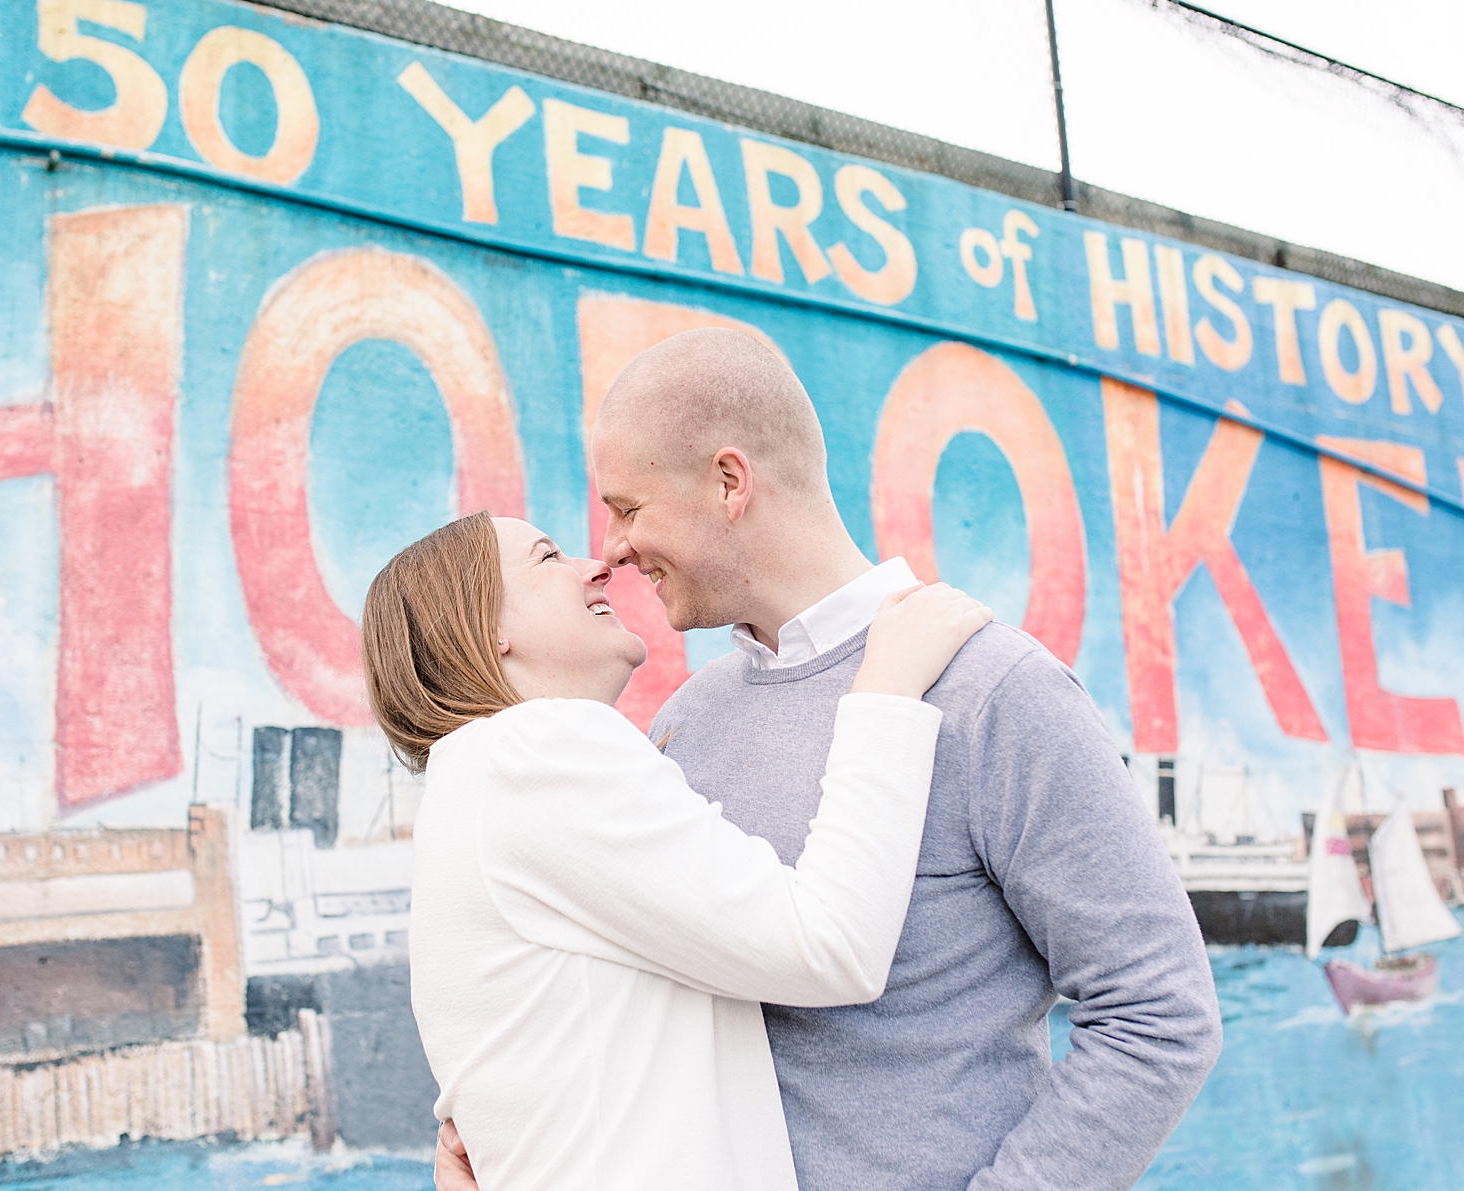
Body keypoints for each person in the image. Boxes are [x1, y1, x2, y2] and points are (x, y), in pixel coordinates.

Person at [435, 328, 1222, 1191]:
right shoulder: (684, 725)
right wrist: (493, 1122)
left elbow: (1158, 1013)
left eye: (627, 508)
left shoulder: (996, 690)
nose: (613, 549)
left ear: (729, 482)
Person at [362, 510, 993, 1191]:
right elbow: (830, 945)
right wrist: (887, 688)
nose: (595, 564)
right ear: (488, 628)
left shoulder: (471, 789)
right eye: (547, 557)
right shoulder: (533, 749)